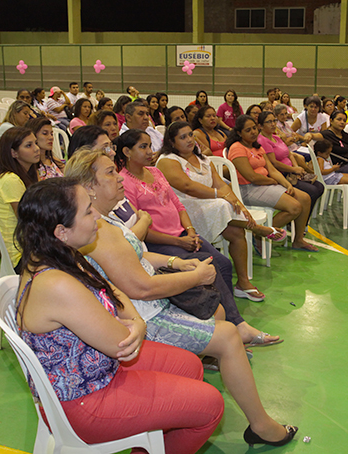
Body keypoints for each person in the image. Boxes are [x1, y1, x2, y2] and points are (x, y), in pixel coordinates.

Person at [62, 152, 297, 448]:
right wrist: (195, 276)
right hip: (145, 317)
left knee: (219, 315)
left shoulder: (106, 220)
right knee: (226, 336)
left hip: (146, 307)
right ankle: (261, 425)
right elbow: (141, 288)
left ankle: (175, 404)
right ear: (90, 186)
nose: (120, 177)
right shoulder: (101, 230)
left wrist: (175, 262)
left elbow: (136, 255)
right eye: (110, 172)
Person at [13, 178, 224, 454]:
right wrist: (133, 327)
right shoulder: (55, 284)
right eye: (88, 211)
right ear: (61, 231)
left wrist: (136, 322)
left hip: (96, 368)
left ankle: (147, 444)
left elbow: (110, 290)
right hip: (85, 401)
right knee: (211, 405)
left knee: (190, 366)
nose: (98, 216)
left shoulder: (60, 254)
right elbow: (121, 344)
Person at [113, 129, 282, 345]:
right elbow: (139, 227)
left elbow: (178, 205)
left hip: (183, 235)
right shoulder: (125, 182)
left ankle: (228, 325)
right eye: (142, 147)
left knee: (222, 264)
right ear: (127, 152)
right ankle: (234, 327)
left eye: (149, 145)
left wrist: (190, 231)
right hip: (160, 243)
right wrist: (178, 241)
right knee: (206, 263)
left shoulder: (155, 172)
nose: (150, 151)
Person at [157, 122, 288, 301]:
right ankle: (257, 229)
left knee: (236, 230)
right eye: (183, 137)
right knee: (221, 205)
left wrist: (239, 206)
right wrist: (222, 196)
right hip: (184, 210)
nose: (189, 140)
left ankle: (243, 283)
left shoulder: (203, 159)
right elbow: (188, 187)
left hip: (213, 205)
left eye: (190, 135)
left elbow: (220, 184)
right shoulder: (167, 160)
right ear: (171, 142)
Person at [227, 115, 319, 252]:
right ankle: (259, 233)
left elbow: (272, 169)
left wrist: (286, 184)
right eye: (248, 130)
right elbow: (251, 177)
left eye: (254, 128)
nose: (253, 132)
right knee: (294, 207)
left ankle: (298, 240)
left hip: (265, 185)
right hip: (247, 189)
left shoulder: (257, 147)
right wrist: (274, 181)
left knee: (305, 198)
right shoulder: (237, 148)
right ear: (239, 133)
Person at [256, 111, 324, 221]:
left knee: (320, 187)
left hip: (291, 172)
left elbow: (289, 154)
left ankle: (302, 221)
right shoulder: (263, 140)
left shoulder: (276, 137)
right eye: (269, 122)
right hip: (282, 174)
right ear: (260, 126)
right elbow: (274, 163)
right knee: (312, 191)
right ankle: (295, 222)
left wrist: (297, 168)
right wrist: (293, 169)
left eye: (274, 121)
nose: (273, 124)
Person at [0, 127, 40, 263]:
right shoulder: (11, 180)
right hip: (20, 255)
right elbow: (26, 221)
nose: (36, 148)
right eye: (29, 145)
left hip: (28, 246)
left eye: (35, 143)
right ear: (13, 153)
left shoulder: (25, 174)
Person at [313, 139, 348, 214]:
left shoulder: (323, 158)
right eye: (327, 154)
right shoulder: (320, 159)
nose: (328, 156)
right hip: (329, 179)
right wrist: (333, 168)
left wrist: (333, 168)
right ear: (319, 153)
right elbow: (321, 172)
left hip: (332, 175)